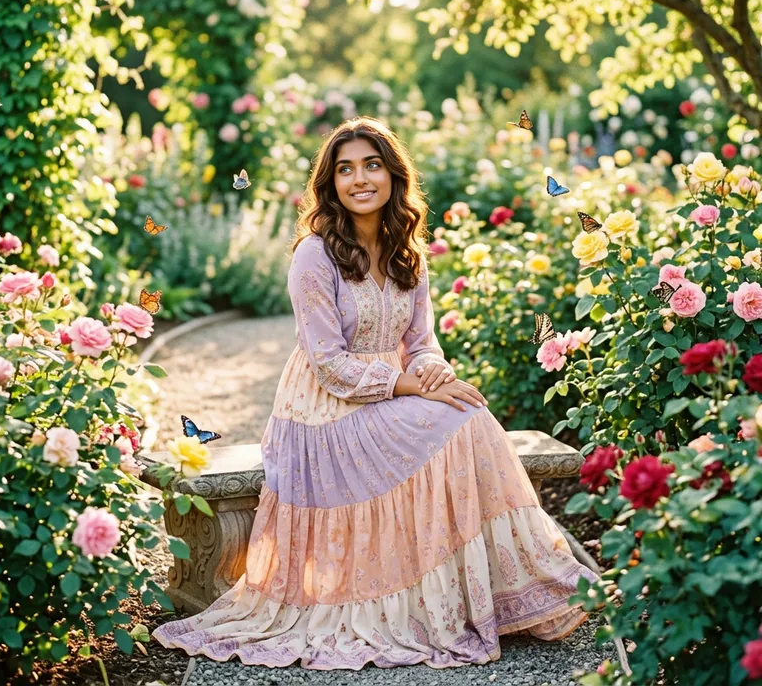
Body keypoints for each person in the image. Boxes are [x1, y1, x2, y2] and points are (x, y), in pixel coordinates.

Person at [153, 116, 599, 669]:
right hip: (321, 416)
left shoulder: (405, 248)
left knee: (470, 415)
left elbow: (423, 340)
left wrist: (433, 373)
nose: (359, 179)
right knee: (458, 423)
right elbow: (329, 365)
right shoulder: (315, 255)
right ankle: (455, 597)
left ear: (393, 175)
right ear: (330, 183)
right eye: (344, 169)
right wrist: (410, 384)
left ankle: (511, 589)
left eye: (371, 165)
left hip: (386, 397)